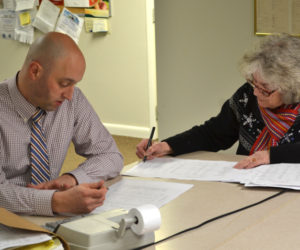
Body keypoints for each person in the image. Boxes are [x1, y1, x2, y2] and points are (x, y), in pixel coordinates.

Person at [0, 32, 123, 216]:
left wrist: (72, 178)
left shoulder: (72, 102)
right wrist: (54, 202)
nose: (70, 95)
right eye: (64, 83)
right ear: (35, 71)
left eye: (74, 84)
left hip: (47, 221)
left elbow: (110, 155)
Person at [136, 33, 300, 169]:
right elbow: (212, 134)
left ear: (290, 87)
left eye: (264, 88)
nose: (256, 92)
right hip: (248, 182)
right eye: (253, 82)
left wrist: (271, 155)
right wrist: (168, 145)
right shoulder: (247, 95)